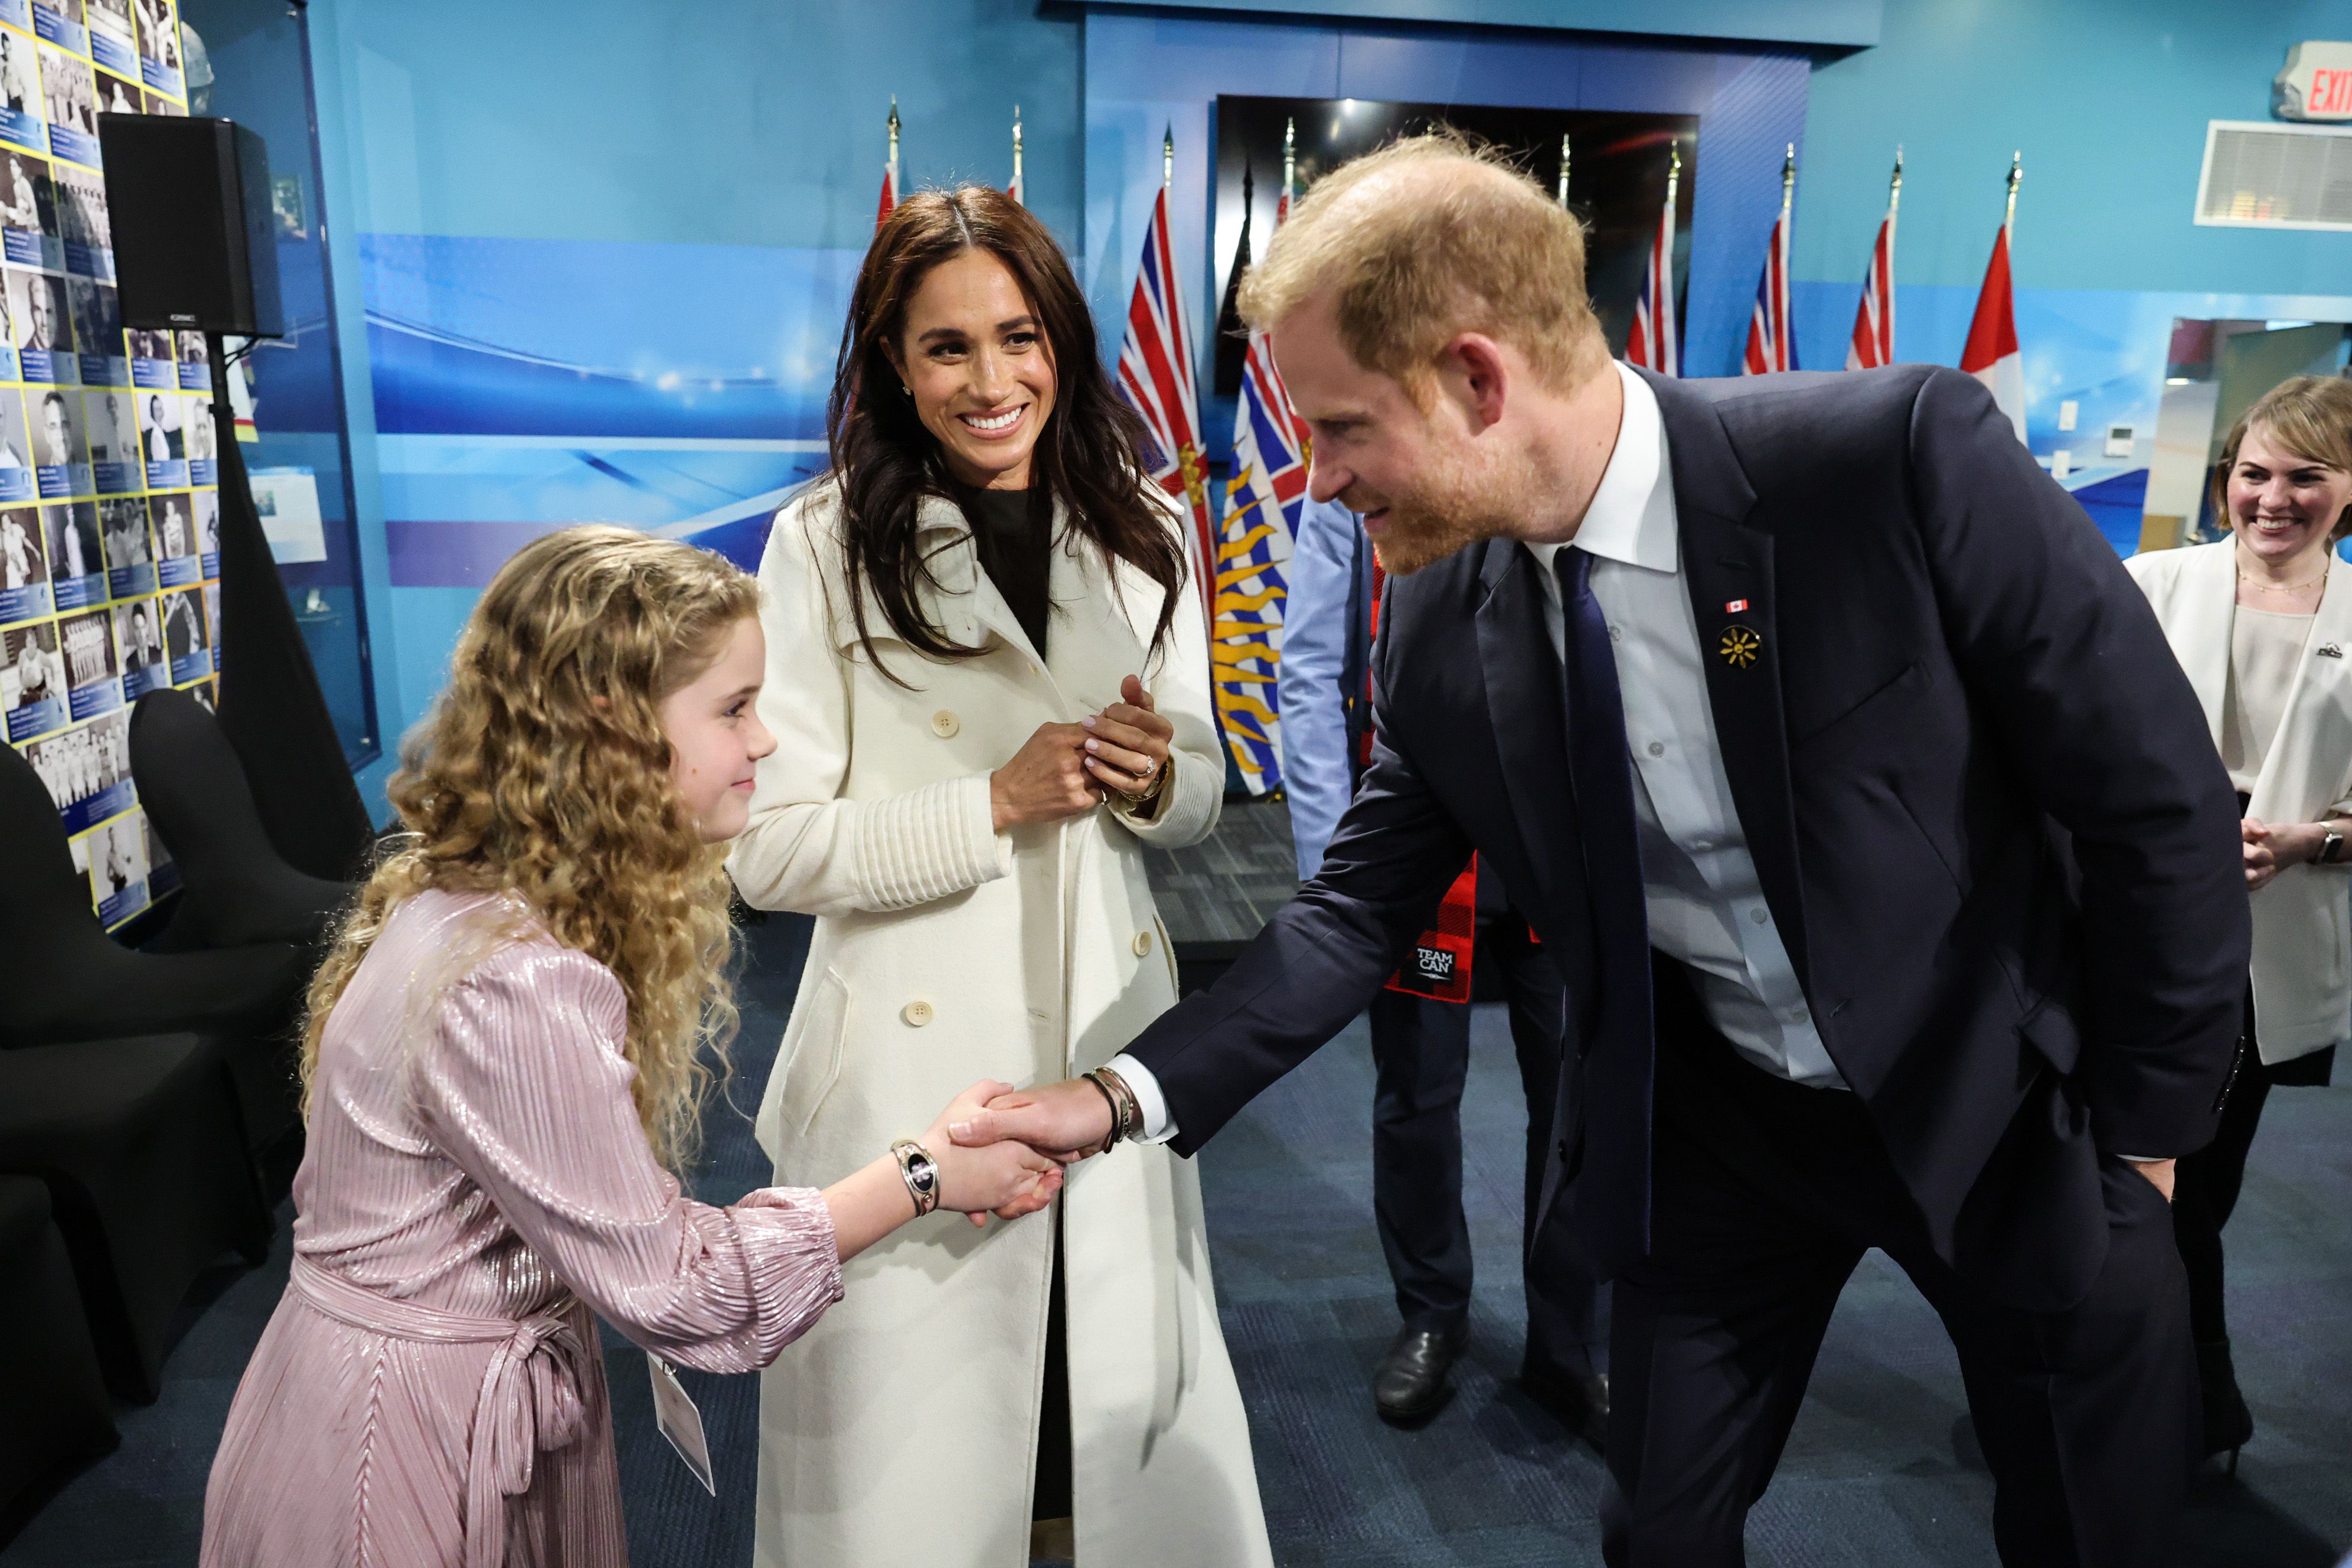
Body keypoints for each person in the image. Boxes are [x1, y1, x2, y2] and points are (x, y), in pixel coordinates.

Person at [953, 135, 2249, 1567]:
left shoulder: (1889, 462)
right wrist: (1119, 1095)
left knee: (2086, 1522)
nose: (1314, 483)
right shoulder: (1443, 618)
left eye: (1340, 429)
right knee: (1658, 1534)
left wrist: (2148, 1130)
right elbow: (1352, 914)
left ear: (1476, 379)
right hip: (1725, 1141)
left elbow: (2153, 800)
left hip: (2008, 1113)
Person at [198, 526, 1064, 1567]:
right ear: (611, 720)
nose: (766, 740)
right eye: (735, 708)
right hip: (403, 1455)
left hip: (391, 1403)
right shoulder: (515, 979)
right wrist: (923, 1173)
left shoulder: (480, 906)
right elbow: (677, 1288)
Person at [727, 185, 1272, 1568]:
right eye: (946, 347)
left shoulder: (1147, 527)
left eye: (1018, 337)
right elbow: (768, 850)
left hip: (1105, 1051)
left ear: (1063, 346)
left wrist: (1156, 775)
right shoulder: (823, 544)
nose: (990, 380)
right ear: (894, 368)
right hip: (916, 1082)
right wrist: (991, 802)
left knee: (1100, 1448)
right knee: (924, 1477)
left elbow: (1202, 793)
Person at [1280, 489, 1602, 1432]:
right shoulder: (1365, 480)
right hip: (1423, 847)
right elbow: (1310, 674)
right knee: (1417, 1096)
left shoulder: (1556, 467)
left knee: (1576, 1097)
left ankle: (1572, 1339)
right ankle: (1431, 1316)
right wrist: (1334, 869)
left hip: (1558, 846)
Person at [2125, 373, 2352, 1466]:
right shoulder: (2146, 581)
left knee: (2191, 1195)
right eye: (2255, 472)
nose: (2273, 497)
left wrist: (2314, 840)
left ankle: (2194, 1407)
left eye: (2306, 476)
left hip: (2268, 955)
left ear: (2348, 491)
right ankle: (2145, 1400)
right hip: (2129, 939)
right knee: (2110, 1185)